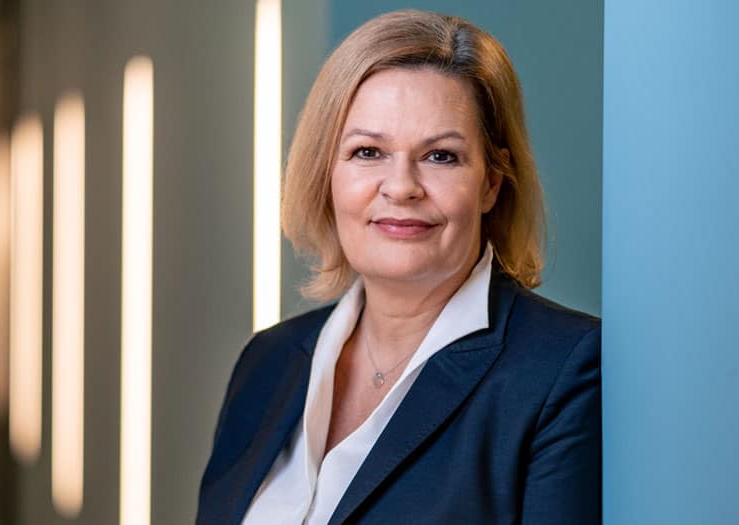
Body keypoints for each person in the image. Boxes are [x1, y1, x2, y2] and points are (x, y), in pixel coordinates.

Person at [197, 9, 601, 525]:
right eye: (368, 151)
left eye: (441, 156)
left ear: (491, 184)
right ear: (326, 174)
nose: (402, 187)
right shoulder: (266, 362)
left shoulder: (562, 371)